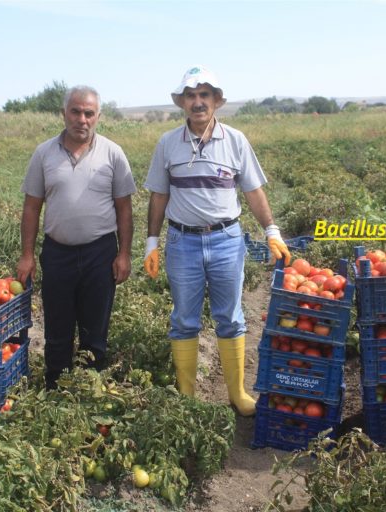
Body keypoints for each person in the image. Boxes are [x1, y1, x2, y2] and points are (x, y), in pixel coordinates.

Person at [143, 66, 291, 416]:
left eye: (204, 95)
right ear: (182, 102)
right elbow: (158, 196)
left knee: (231, 317)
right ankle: (187, 397)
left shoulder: (236, 140)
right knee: (184, 320)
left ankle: (237, 393)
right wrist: (152, 241)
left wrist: (271, 229)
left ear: (216, 102)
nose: (198, 102)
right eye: (191, 96)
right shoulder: (167, 144)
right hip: (183, 242)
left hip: (226, 240)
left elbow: (253, 192)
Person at [17, 85, 136, 390]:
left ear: (98, 116)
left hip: (101, 253)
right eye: (75, 111)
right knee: (57, 328)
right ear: (64, 113)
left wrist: (124, 254)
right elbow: (32, 207)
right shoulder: (44, 153)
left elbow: (124, 209)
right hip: (58, 253)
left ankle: (89, 391)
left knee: (94, 331)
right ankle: (55, 390)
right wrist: (27, 255)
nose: (81, 119)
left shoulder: (113, 153)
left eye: (88, 113)